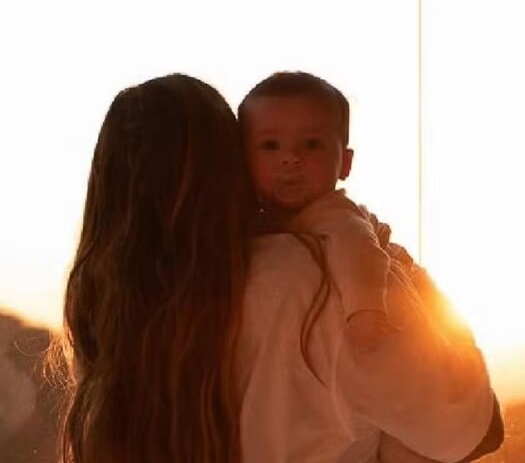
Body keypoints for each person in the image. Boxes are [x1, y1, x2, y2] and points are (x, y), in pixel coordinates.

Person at [52, 73, 502, 463]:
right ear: (232, 166)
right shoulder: (319, 281)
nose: (285, 159)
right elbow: (476, 430)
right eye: (265, 146)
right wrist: (402, 270)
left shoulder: (117, 328)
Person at [237, 70, 504, 461]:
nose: (290, 158)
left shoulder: (334, 217)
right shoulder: (272, 239)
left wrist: (364, 309)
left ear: (344, 163)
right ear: (243, 160)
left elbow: (362, 255)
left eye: (311, 145)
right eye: (270, 146)